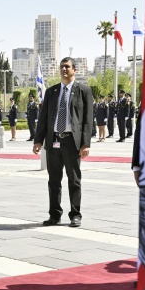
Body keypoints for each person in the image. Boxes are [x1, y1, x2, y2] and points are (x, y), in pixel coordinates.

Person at [32, 57, 94, 228]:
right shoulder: (51, 92)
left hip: (72, 142)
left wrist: (86, 143)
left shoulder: (83, 91)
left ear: (75, 70)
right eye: (62, 67)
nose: (64, 70)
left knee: (73, 180)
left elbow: (88, 120)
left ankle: (75, 215)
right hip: (54, 141)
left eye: (67, 67)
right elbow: (43, 119)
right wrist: (38, 140)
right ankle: (54, 215)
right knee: (54, 180)